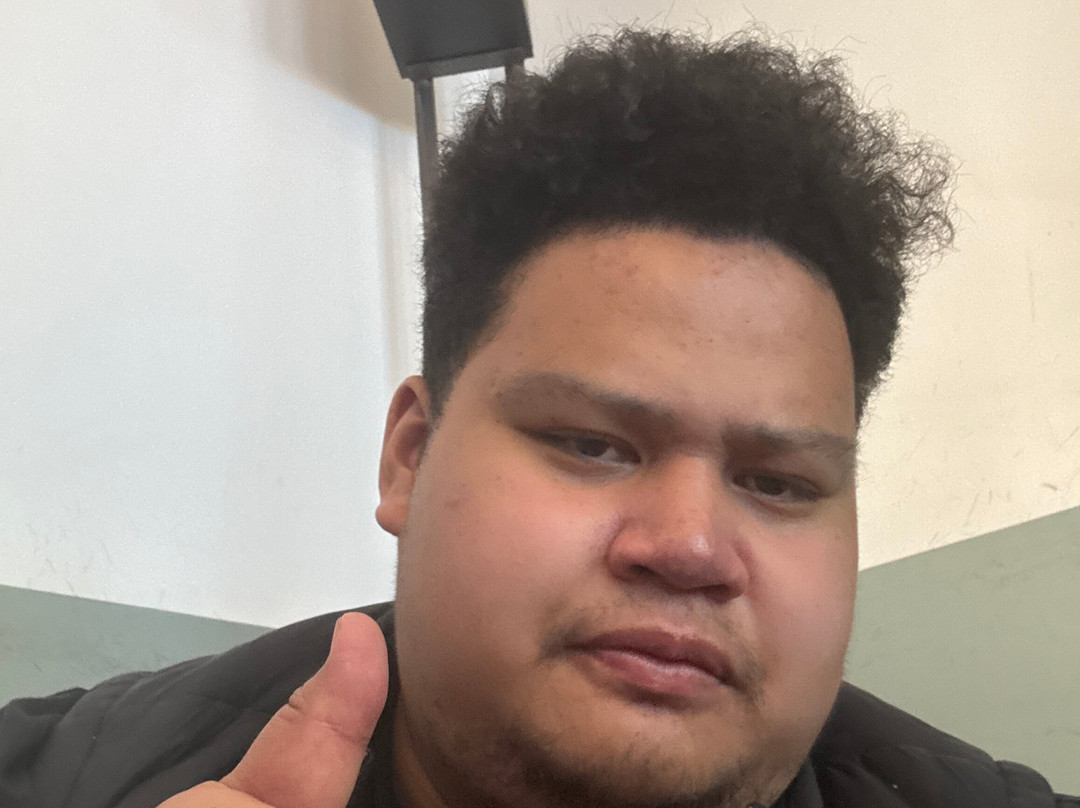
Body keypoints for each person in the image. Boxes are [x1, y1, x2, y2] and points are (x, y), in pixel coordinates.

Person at [0, 27, 1074, 808]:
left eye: (779, 483)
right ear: (410, 458)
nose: (692, 546)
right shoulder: (63, 780)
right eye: (592, 444)